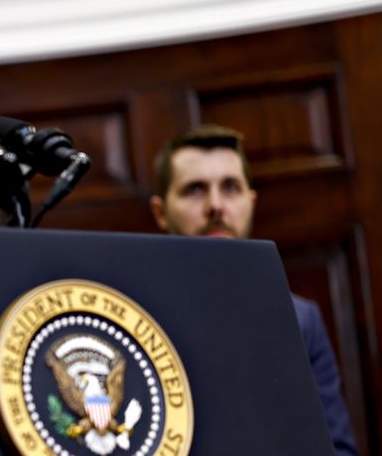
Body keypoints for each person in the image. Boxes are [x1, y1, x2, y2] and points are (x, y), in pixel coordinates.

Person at [149, 125, 359, 455]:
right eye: (194, 190)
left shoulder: (301, 318)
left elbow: (337, 449)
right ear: (160, 212)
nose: (215, 205)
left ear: (251, 200)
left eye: (230, 187)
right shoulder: (134, 311)